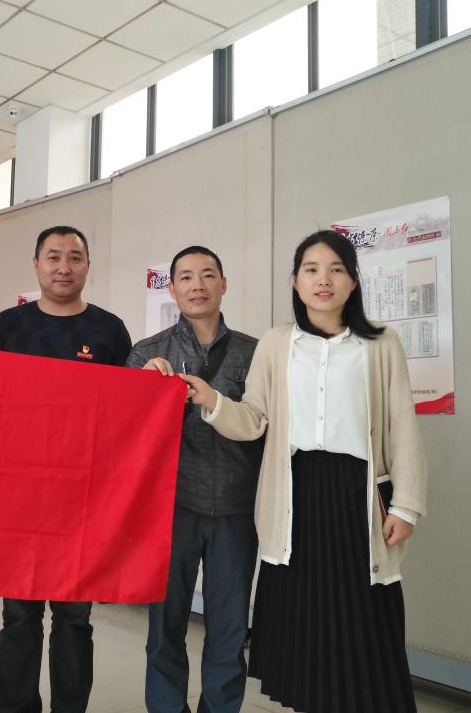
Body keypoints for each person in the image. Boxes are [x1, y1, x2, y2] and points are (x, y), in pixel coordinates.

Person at [183, 229, 428, 713]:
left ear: (353, 280)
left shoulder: (381, 343)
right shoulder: (278, 343)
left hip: (356, 497)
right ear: (295, 280)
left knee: (364, 619)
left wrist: (407, 506)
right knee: (306, 624)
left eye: (336, 269)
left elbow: (402, 424)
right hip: (294, 497)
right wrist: (212, 401)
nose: (324, 280)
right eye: (312, 270)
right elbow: (255, 419)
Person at [0, 225, 132, 713]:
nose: (63, 267)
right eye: (53, 257)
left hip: (84, 501)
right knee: (19, 619)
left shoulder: (109, 331)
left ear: (88, 265)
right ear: (36, 264)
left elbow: (129, 412)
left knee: (74, 620)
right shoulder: (9, 326)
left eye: (75, 257)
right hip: (18, 499)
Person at [128, 246, 262, 713]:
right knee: (165, 626)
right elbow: (126, 432)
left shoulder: (253, 353)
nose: (197, 285)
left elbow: (267, 425)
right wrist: (141, 388)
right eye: (185, 277)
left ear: (224, 284)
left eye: (207, 275)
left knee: (229, 629)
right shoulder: (147, 353)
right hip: (170, 509)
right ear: (172, 289)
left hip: (236, 507)